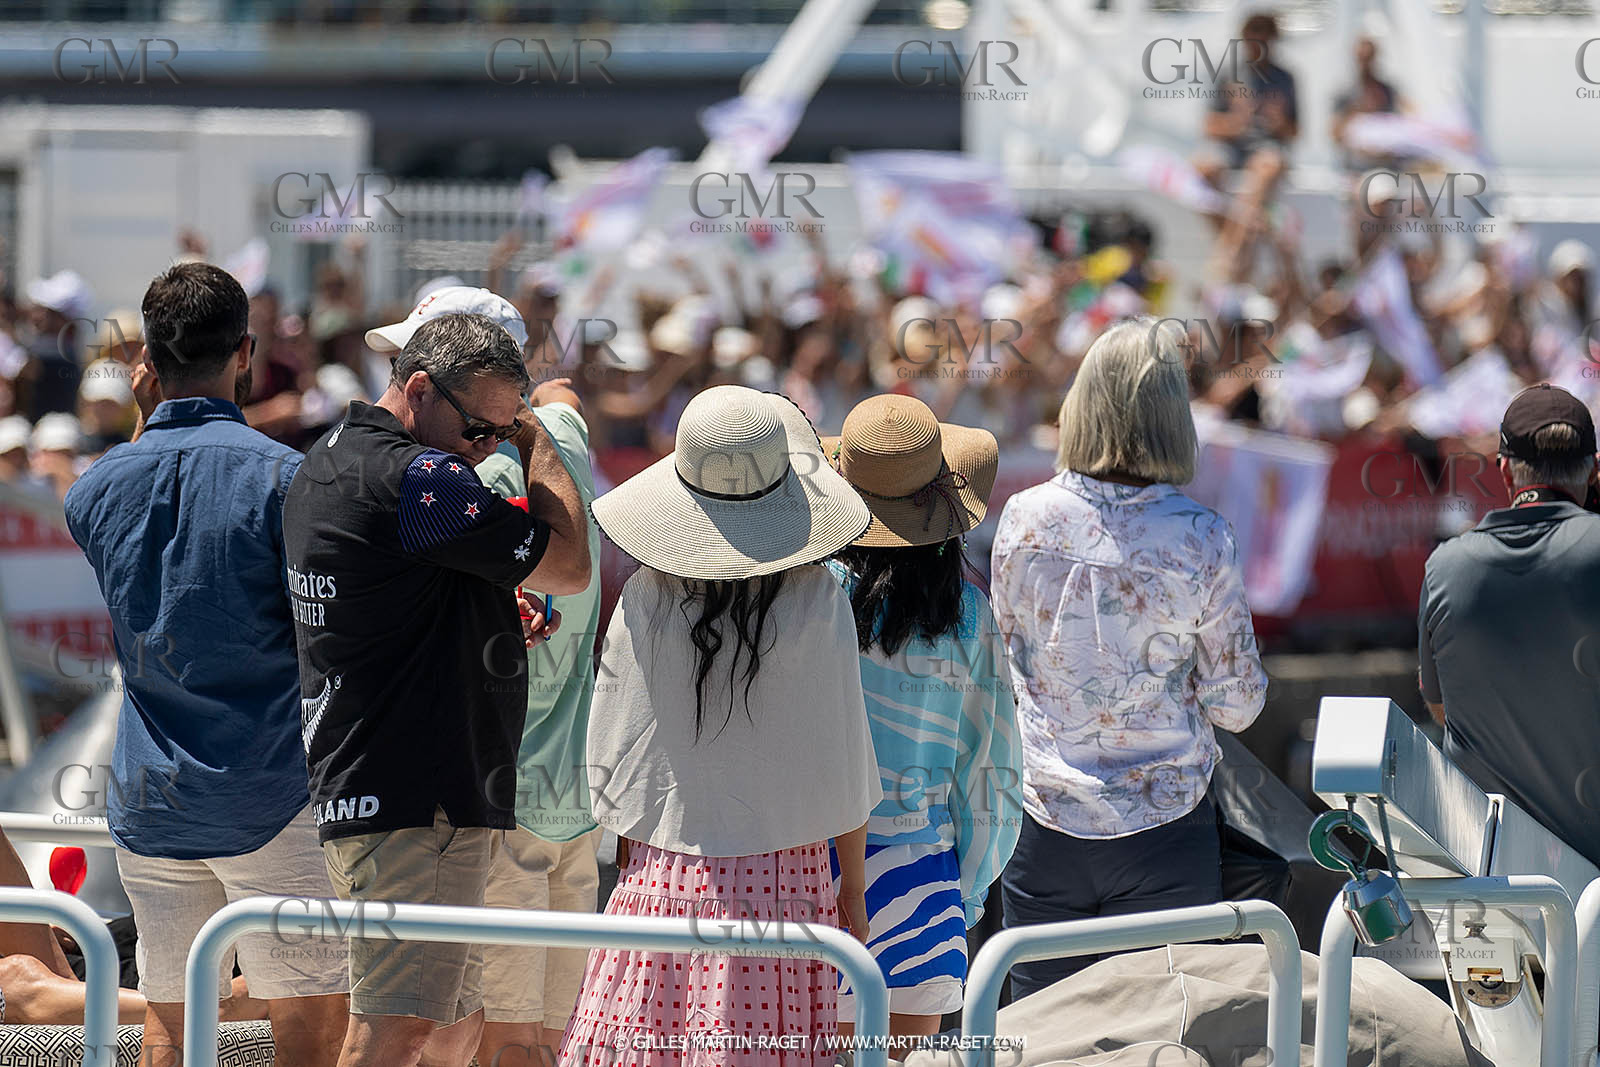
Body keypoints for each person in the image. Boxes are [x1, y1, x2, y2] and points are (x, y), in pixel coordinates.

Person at [282, 311, 590, 1067]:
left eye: (499, 435)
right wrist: (537, 441)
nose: (484, 451)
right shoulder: (423, 478)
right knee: (398, 1029)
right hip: (422, 798)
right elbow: (573, 566)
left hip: (377, 783)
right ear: (418, 387)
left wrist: (480, 619)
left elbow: (384, 597)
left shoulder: (326, 456)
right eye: (481, 429)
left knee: (454, 1023)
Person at [62, 262, 350, 1066]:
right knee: (310, 1028)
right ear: (246, 353)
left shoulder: (93, 489)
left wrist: (145, 419)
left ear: (145, 364)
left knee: (167, 1022)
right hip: (272, 793)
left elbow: (128, 491)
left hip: (152, 796)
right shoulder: (288, 480)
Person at [561, 385, 879, 1066]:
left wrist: (632, 860)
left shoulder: (646, 594)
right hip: (788, 883)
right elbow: (844, 761)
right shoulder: (819, 598)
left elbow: (615, 756)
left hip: (663, 878)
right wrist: (851, 886)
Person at [362, 285, 606, 1067]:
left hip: (499, 799)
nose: (399, 385)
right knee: (546, 1042)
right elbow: (565, 397)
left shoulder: (472, 476)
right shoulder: (560, 436)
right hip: (573, 786)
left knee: (487, 1043)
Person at [989, 318, 1267, 999]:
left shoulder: (1022, 519)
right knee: (1163, 1032)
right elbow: (1238, 707)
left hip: (1042, 818)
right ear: (1174, 417)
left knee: (1043, 1034)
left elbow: (1007, 666)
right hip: (1164, 829)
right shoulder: (1202, 536)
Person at [820, 394, 1022, 1046]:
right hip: (925, 882)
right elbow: (993, 774)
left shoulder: (811, 601)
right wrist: (961, 897)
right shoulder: (969, 615)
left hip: (811, 883)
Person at [1419, 384, 1600, 868]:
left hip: (1487, 882)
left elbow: (1439, 707)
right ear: (1596, 470)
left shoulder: (1444, 567)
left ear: (1503, 471)